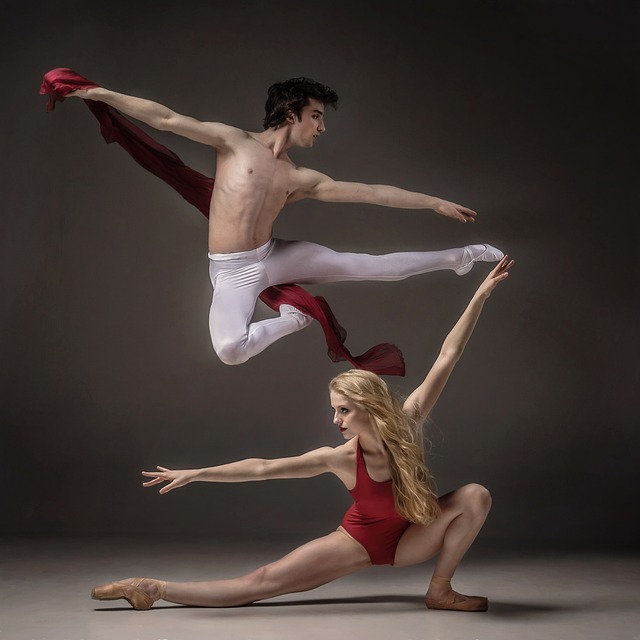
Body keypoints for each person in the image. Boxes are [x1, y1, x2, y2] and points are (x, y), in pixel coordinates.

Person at [91, 256, 513, 612]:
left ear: (369, 409)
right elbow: (262, 469)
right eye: (335, 411)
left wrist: (479, 295)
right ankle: (154, 588)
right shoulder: (342, 457)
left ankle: (440, 589)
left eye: (344, 411)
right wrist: (198, 473)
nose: (336, 421)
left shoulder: (409, 420)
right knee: (261, 582)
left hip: (413, 540)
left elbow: (448, 355)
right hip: (360, 543)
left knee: (475, 495)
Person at [60, 75, 503, 367]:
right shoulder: (233, 143)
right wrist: (96, 93)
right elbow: (166, 118)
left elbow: (371, 193)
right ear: (291, 113)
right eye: (316, 116)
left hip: (274, 257)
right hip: (232, 270)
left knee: (372, 266)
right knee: (230, 350)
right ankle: (294, 320)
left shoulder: (300, 177)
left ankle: (463, 256)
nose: (321, 128)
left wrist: (434, 202)